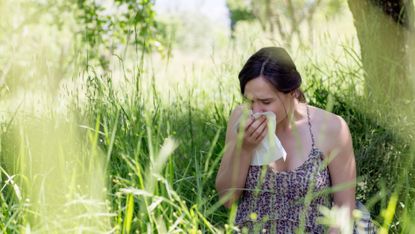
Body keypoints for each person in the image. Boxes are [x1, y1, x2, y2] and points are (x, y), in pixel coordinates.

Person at [215, 47, 376, 233]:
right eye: (250, 101)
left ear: (292, 92)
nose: (256, 111)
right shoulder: (241, 120)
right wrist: (244, 149)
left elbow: (344, 208)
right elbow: (227, 200)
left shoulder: (332, 128)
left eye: (265, 102)